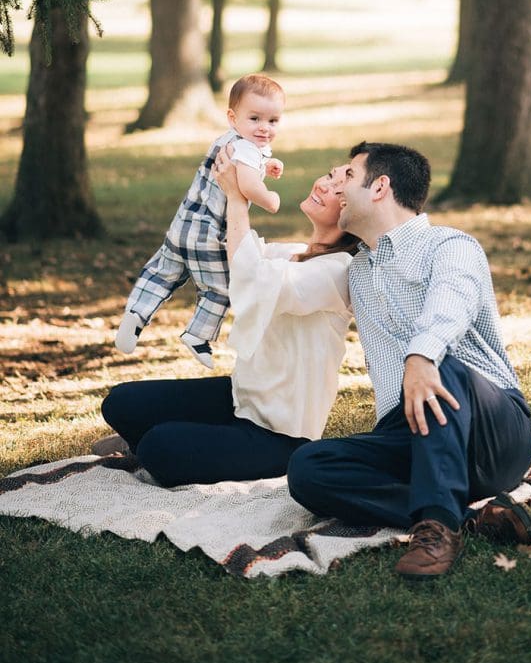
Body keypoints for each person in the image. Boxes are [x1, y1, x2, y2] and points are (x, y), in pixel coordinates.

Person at [287, 141, 531, 580]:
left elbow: (452, 303)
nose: (337, 187)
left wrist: (421, 356)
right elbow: (292, 270)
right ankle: (470, 516)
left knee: (439, 366)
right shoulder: (359, 270)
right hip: (409, 433)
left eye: (347, 176)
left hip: (490, 428)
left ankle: (438, 530)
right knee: (308, 469)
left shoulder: (449, 245)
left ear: (381, 186)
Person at [99, 151, 358, 486]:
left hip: (281, 437)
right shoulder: (291, 253)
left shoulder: (337, 272)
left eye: (340, 185)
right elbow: (230, 253)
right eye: (329, 174)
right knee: (121, 403)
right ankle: (191, 441)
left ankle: (168, 444)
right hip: (239, 400)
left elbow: (250, 276)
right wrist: (242, 175)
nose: (325, 184)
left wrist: (238, 199)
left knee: (158, 448)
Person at [115, 73, 286, 369]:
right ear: (233, 117)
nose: (264, 128)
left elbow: (245, 164)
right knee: (220, 287)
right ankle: (197, 334)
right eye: (255, 118)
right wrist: (269, 198)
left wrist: (267, 164)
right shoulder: (245, 148)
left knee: (164, 272)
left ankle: (136, 313)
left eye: (272, 121)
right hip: (208, 232)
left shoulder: (229, 140)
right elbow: (246, 183)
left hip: (182, 225)